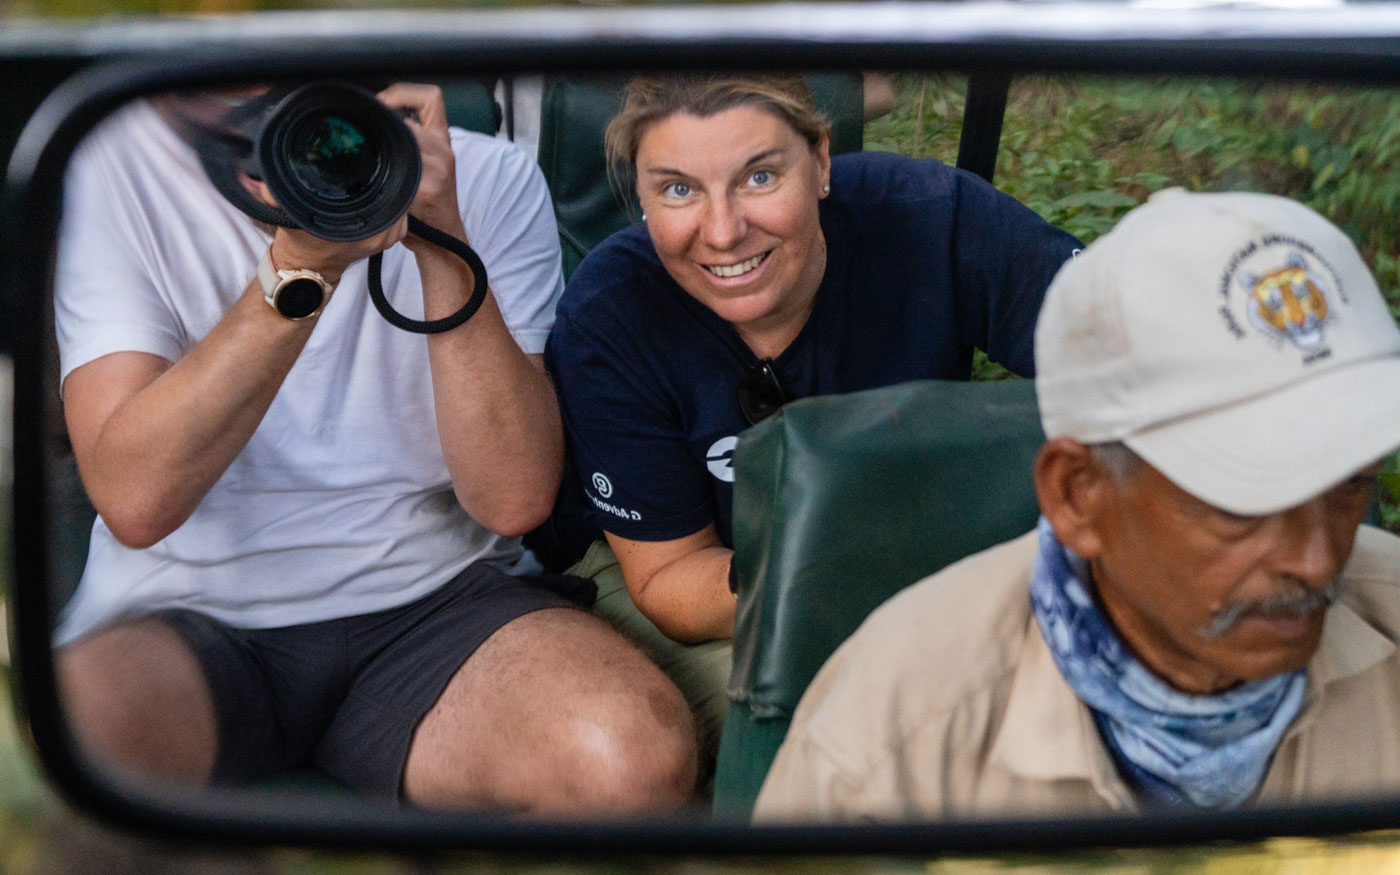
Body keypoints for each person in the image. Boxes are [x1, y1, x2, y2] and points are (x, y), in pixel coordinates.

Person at [51, 83, 696, 813]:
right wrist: (302, 267)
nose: (267, 107)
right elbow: (136, 500)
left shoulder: (486, 176)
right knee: (57, 749)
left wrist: (441, 238)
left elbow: (514, 499)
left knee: (629, 759)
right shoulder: (112, 165)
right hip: (185, 608)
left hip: (432, 601)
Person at [752, 189, 1400, 821]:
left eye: (1348, 483)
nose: (1318, 562)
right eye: (1244, 504)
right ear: (1079, 495)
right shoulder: (887, 747)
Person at [544, 73, 1082, 767]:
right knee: (842, 729)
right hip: (712, 592)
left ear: (821, 161)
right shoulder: (613, 314)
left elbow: (1130, 363)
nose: (723, 230)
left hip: (928, 565)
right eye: (678, 189)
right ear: (641, 197)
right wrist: (844, 567)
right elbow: (667, 580)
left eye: (759, 176)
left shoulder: (931, 217)